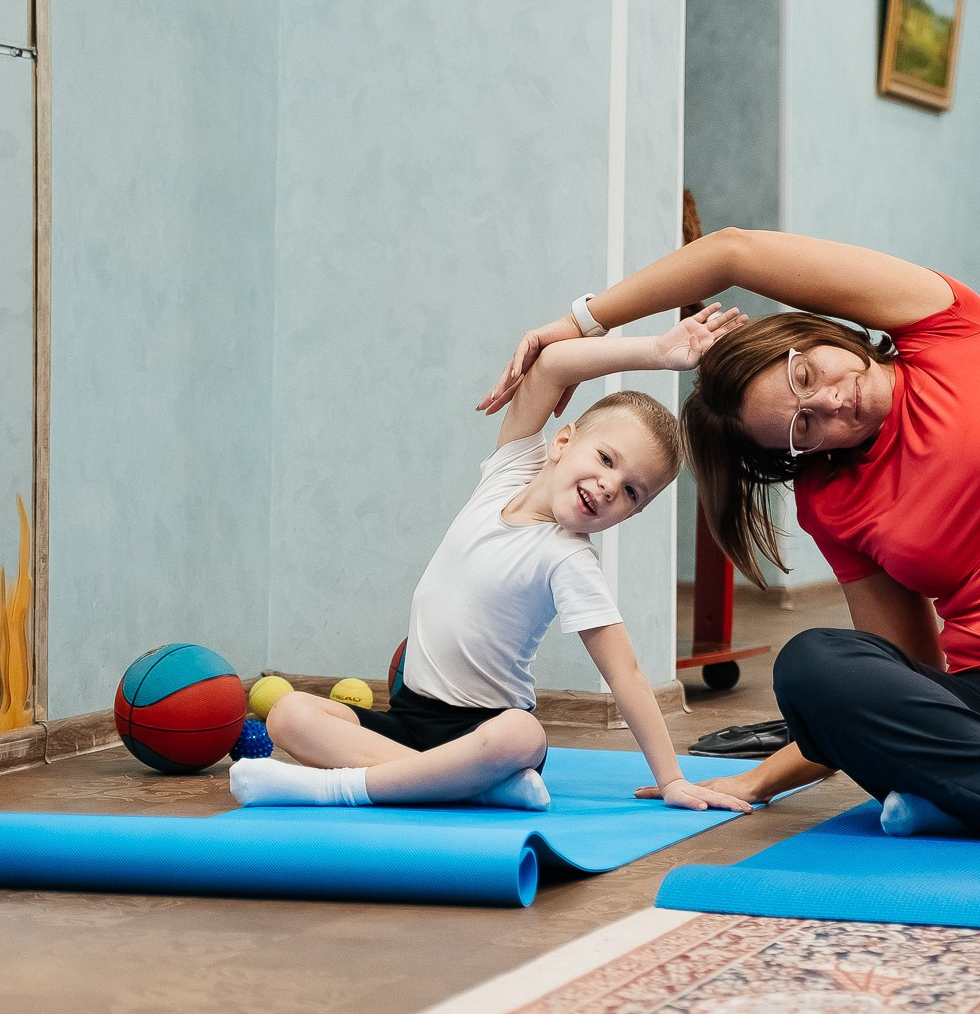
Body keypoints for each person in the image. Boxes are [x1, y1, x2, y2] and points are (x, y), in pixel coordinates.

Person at [482, 228, 980, 846]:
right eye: (800, 430)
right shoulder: (833, 500)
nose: (829, 405)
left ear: (818, 337)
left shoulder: (951, 330)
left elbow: (730, 252)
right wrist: (761, 782)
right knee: (815, 666)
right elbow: (910, 674)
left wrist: (575, 322)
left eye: (807, 377)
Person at [236, 306, 753, 814]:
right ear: (563, 441)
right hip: (411, 718)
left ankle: (338, 788)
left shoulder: (568, 558)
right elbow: (551, 365)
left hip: (484, 730)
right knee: (289, 714)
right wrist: (657, 351)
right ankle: (469, 788)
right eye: (606, 459)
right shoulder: (509, 471)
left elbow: (627, 675)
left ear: (629, 515)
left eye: (631, 492)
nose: (608, 486)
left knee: (522, 734)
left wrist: (671, 780)